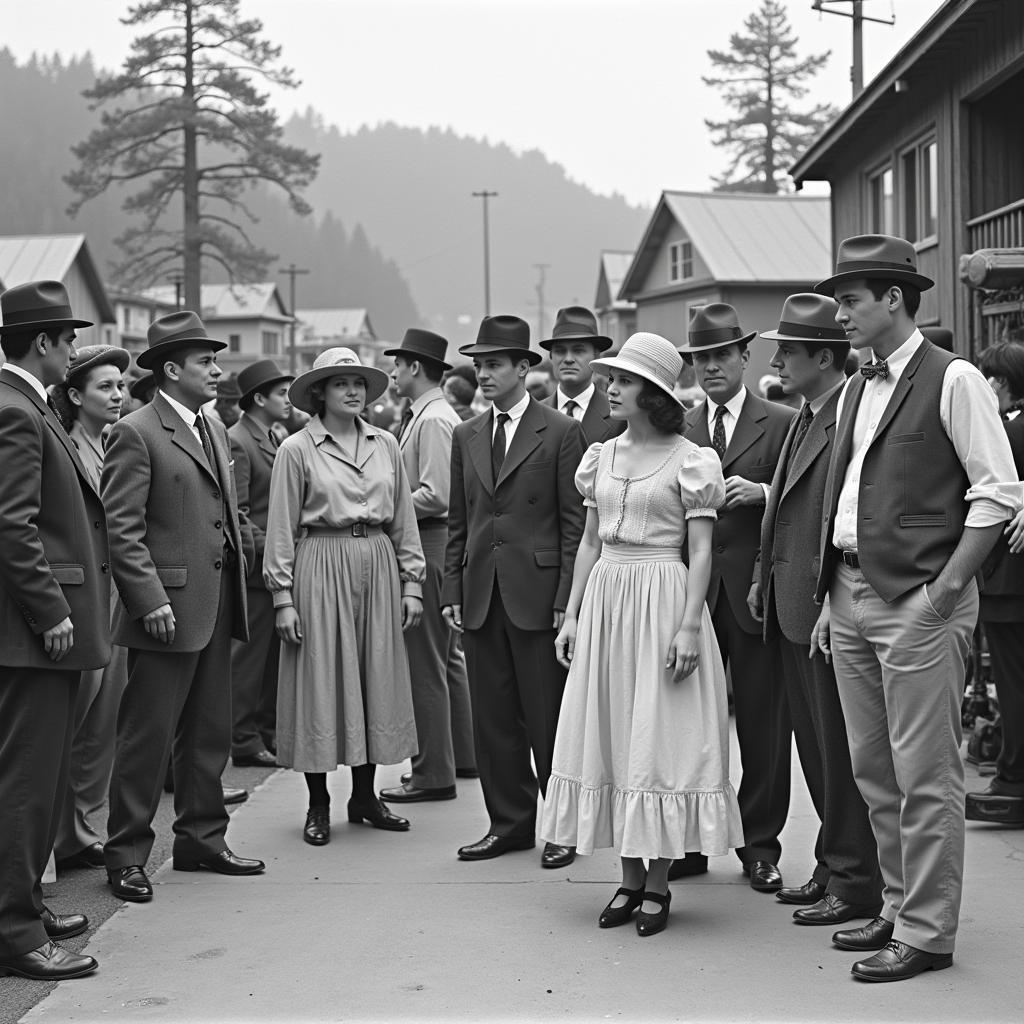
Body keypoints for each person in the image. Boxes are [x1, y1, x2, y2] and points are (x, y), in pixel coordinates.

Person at [811, 234, 1020, 982]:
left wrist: (946, 592)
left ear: (892, 299)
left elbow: (997, 493)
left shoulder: (954, 378)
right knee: (875, 771)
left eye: (850, 300)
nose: (840, 314)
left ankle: (928, 933)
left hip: (919, 603)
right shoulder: (855, 387)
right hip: (848, 594)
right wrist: (827, 593)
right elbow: (845, 499)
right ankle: (899, 907)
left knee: (927, 773)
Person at [541, 332, 742, 936]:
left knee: (658, 738)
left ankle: (658, 885)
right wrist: (573, 613)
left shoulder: (692, 459)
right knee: (613, 732)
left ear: (651, 392)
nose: (610, 388)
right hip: (607, 599)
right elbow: (588, 541)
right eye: (612, 379)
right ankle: (628, 879)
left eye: (622, 381)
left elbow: (701, 550)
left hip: (662, 598)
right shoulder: (599, 456)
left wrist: (687, 625)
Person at [102, 311, 262, 903]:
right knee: (146, 738)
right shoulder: (137, 431)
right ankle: (126, 856)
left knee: (208, 733)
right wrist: (147, 601)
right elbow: (122, 530)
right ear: (172, 370)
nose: (219, 371)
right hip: (165, 612)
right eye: (206, 363)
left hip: (216, 604)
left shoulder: (213, 428)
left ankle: (201, 838)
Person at [747, 295, 882, 930]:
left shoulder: (849, 416)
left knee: (838, 751)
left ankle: (856, 880)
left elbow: (840, 517)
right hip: (790, 602)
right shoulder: (807, 413)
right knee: (814, 747)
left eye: (788, 351)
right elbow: (784, 511)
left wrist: (828, 595)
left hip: (822, 603)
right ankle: (834, 864)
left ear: (824, 358)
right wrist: (759, 578)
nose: (775, 360)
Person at [263, 347, 425, 845]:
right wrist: (283, 597)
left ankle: (364, 797)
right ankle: (318, 802)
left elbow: (403, 518)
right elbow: (282, 528)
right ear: (320, 393)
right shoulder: (296, 449)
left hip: (377, 561)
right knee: (320, 679)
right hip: (320, 563)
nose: (353, 391)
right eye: (341, 384)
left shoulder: (386, 445)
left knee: (375, 675)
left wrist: (412, 582)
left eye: (359, 383)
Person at [442, 315, 586, 869]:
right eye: (478, 365)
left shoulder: (560, 431)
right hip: (481, 594)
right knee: (494, 720)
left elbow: (576, 525)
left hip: (539, 594)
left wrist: (565, 602)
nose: (484, 374)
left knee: (548, 718)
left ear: (525, 368)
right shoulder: (465, 434)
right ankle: (508, 825)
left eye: (494, 364)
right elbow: (461, 521)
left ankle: (562, 827)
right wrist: (452, 587)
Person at [0, 281, 111, 981]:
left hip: (36, 630)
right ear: (43, 343)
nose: (73, 352)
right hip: (31, 633)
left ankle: (23, 908)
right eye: (69, 340)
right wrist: (53, 611)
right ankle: (14, 931)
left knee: (36, 782)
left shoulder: (25, 404)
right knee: (26, 784)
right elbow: (13, 525)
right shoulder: (15, 411)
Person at [678, 303, 795, 891]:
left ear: (745, 356)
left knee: (762, 720)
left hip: (753, 588)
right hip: (690, 592)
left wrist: (766, 491)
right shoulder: (677, 425)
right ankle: (693, 843)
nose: (712, 366)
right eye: (701, 358)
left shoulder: (782, 420)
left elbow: (805, 499)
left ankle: (760, 845)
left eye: (722, 355)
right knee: (691, 722)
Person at [378, 329, 476, 804]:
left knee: (426, 664)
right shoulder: (429, 415)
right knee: (446, 660)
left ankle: (433, 772)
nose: (393, 373)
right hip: (433, 545)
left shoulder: (434, 419)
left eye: (397, 364)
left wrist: (384, 505)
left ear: (415, 368)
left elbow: (436, 493)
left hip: (430, 544)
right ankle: (461, 756)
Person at [48, 346, 131, 874]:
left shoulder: (110, 444)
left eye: (121, 386)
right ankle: (50, 841)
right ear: (76, 396)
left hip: (115, 601)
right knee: (67, 725)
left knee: (103, 725)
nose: (119, 396)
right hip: (81, 603)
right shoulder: (67, 448)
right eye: (106, 387)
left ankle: (75, 830)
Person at [227, 359, 295, 770]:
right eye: (281, 393)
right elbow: (239, 510)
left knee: (272, 659)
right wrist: (271, 552)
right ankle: (243, 738)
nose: (288, 401)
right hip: (257, 569)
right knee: (249, 662)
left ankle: (266, 732)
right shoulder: (239, 440)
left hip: (276, 563)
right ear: (258, 398)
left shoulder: (270, 435)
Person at [966, 341, 1024, 826]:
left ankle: (1013, 775)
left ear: (1002, 383)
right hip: (1008, 580)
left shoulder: (1009, 432)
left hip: (1008, 582)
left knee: (1013, 682)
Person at [539, 305, 625, 444]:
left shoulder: (619, 416)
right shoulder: (533, 416)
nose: (568, 359)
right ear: (551, 357)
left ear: (596, 356)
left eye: (578, 351)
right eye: (560, 351)